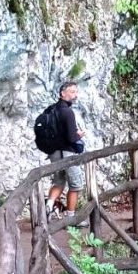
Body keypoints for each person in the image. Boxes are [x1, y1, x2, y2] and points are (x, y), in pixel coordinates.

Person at [45, 81, 86, 222]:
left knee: (59, 182)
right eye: (72, 91)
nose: (75, 95)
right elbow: (71, 137)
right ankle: (71, 217)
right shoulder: (67, 112)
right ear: (63, 93)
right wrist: (79, 135)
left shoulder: (51, 110)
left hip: (54, 152)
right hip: (67, 152)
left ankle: (49, 206)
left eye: (76, 91)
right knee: (75, 185)